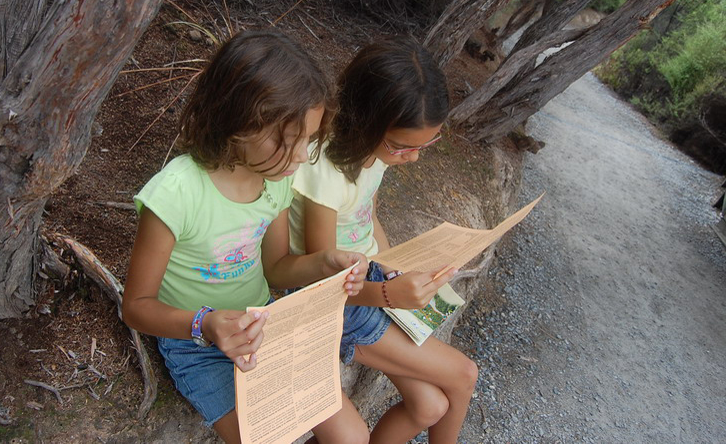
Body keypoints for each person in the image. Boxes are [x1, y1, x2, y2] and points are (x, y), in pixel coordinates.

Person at [123, 29, 371, 444]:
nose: (300, 156)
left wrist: (323, 263)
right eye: (288, 140)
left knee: (353, 436)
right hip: (195, 342)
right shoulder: (176, 195)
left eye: (308, 140)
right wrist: (205, 323)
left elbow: (276, 268)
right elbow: (136, 307)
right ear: (238, 122)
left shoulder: (276, 180)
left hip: (263, 321)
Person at [288, 36, 479, 444]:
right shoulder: (324, 171)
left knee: (429, 406)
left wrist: (397, 266)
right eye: (404, 146)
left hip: (370, 280)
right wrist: (389, 293)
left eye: (425, 145)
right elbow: (321, 282)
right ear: (366, 120)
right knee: (465, 374)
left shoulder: (375, 150)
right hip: (336, 303)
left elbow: (368, 216)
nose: (414, 157)